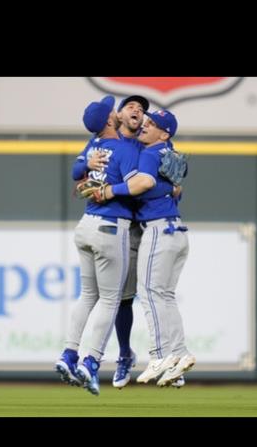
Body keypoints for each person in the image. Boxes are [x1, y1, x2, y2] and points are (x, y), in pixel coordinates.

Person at [86, 109, 195, 388]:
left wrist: (110, 191)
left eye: (153, 124)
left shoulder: (149, 153)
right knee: (166, 296)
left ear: (165, 133)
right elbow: (173, 179)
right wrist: (169, 188)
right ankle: (179, 354)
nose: (146, 126)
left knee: (149, 293)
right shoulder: (167, 150)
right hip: (177, 230)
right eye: (146, 121)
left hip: (159, 229)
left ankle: (159, 355)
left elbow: (144, 182)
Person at [54, 95, 140, 396]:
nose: (117, 111)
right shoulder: (124, 149)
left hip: (85, 225)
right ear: (108, 120)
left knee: (88, 295)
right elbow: (134, 190)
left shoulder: (93, 146)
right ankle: (90, 362)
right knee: (110, 300)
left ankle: (68, 353)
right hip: (109, 227)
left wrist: (87, 170)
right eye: (111, 111)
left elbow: (76, 176)